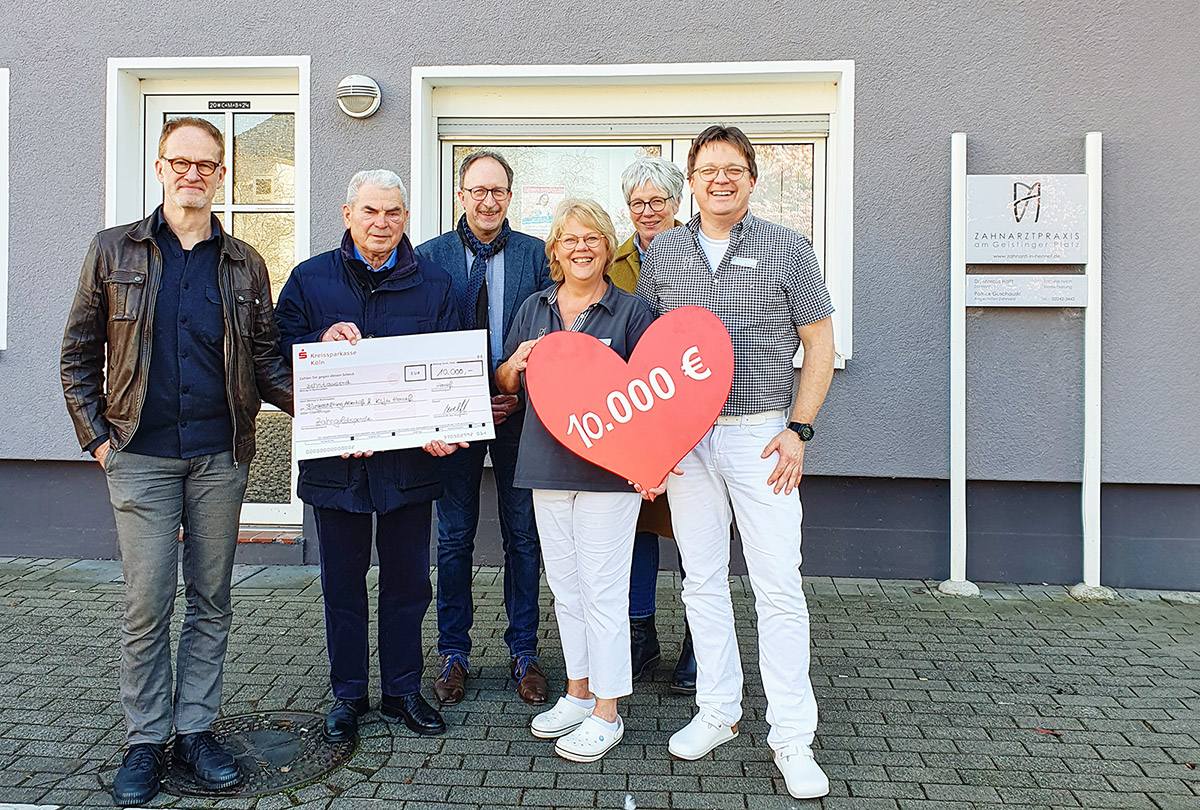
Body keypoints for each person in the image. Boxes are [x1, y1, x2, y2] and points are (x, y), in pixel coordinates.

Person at [60, 117, 293, 806]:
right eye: (180, 162)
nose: (193, 174)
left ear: (222, 174)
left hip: (220, 456)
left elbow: (268, 362)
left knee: (213, 598)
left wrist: (342, 395)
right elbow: (77, 353)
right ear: (160, 168)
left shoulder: (245, 261)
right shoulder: (113, 252)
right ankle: (144, 739)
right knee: (146, 601)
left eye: (206, 164)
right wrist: (98, 441)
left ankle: (195, 731)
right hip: (140, 455)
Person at [636, 126, 836, 800]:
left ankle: (792, 739)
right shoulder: (664, 252)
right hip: (689, 443)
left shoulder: (787, 247)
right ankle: (718, 711)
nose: (720, 179)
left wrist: (798, 429)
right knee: (702, 580)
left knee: (778, 585)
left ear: (752, 179)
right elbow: (646, 354)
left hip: (760, 437)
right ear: (690, 181)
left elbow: (818, 338)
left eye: (733, 169)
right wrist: (653, 445)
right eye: (708, 169)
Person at [274, 170, 459, 744]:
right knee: (343, 585)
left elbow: (454, 364)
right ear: (348, 213)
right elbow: (277, 353)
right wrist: (316, 346)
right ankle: (347, 694)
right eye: (372, 212)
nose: (383, 223)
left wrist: (445, 427)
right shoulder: (309, 280)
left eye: (394, 213)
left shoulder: (435, 282)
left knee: (408, 584)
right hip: (338, 466)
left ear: (407, 217)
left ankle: (403, 689)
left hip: (410, 465)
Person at [496, 199, 654, 762]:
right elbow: (506, 381)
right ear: (555, 251)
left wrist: (649, 463)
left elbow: (654, 397)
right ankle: (578, 693)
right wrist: (517, 360)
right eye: (570, 239)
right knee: (565, 587)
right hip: (544, 465)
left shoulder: (632, 313)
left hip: (609, 475)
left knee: (604, 591)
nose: (581, 248)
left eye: (592, 238)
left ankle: (608, 712)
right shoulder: (535, 306)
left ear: (607, 248)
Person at [415, 151, 551, 706]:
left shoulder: (537, 256)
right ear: (461, 196)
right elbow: (417, 335)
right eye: (478, 191)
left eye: (498, 191)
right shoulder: (427, 257)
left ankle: (524, 650)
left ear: (510, 198)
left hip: (521, 413)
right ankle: (453, 652)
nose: (488, 201)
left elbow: (553, 328)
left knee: (523, 535)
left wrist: (520, 393)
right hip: (454, 418)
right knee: (454, 536)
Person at [610, 157, 696, 693]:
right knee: (636, 525)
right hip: (632, 415)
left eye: (657, 202)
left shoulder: (699, 252)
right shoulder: (613, 258)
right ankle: (639, 634)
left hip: (690, 413)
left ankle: (698, 637)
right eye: (637, 203)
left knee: (694, 525)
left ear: (676, 204)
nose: (647, 212)